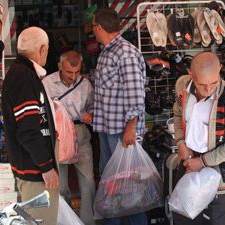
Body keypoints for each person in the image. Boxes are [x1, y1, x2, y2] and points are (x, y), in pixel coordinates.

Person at [173, 52, 225, 225]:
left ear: (220, 70)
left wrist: (202, 161)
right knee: (185, 215)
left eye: (213, 82)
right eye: (202, 84)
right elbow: (178, 114)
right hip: (189, 163)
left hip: (222, 172)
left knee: (218, 219)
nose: (208, 89)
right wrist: (180, 143)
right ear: (191, 74)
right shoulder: (182, 86)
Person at [92, 8, 147, 225]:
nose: (92, 31)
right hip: (108, 129)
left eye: (93, 27)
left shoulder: (125, 53)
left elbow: (135, 93)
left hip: (121, 133)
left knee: (129, 188)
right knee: (111, 185)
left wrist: (131, 127)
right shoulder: (107, 51)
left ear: (99, 28)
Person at [1, 27, 59, 225]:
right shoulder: (24, 76)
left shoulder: (23, 73)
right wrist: (46, 167)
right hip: (34, 171)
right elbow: (27, 130)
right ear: (43, 49)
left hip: (32, 167)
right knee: (41, 221)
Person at [43, 50, 96, 225]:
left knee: (88, 181)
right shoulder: (47, 83)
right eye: (68, 72)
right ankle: (65, 221)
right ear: (60, 67)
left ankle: (87, 221)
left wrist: (91, 115)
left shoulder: (85, 84)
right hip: (59, 136)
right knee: (61, 185)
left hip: (80, 131)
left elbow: (93, 107)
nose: (73, 77)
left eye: (77, 72)